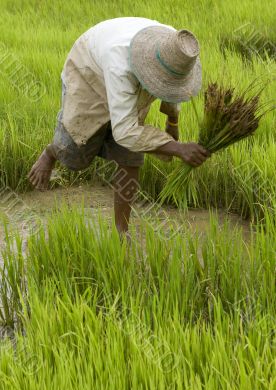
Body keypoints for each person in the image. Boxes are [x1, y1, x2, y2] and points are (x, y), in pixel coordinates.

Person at [28, 17, 210, 235]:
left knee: (131, 156)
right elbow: (125, 132)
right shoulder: (119, 63)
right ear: (152, 71)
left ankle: (121, 231)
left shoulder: (177, 47)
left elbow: (172, 86)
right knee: (76, 153)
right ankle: (51, 152)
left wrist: (172, 122)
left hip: (130, 71)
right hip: (90, 70)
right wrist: (178, 148)